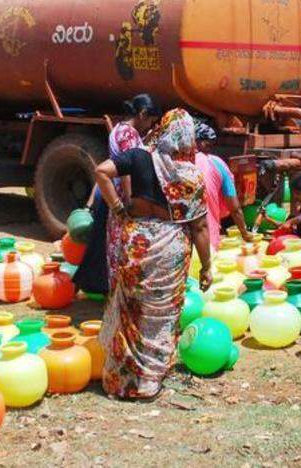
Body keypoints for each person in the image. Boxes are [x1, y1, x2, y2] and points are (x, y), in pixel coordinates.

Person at [94, 109, 210, 399]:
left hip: (137, 244)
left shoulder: (138, 156)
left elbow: (101, 172)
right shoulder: (190, 175)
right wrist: (207, 266)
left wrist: (118, 207)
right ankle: (149, 382)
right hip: (171, 246)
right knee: (163, 315)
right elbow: (199, 228)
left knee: (132, 311)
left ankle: (122, 381)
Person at [74, 94, 160, 295]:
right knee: (122, 246)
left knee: (109, 242)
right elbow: (128, 168)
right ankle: (119, 293)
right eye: (149, 120)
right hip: (122, 196)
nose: (149, 126)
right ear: (142, 114)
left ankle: (110, 289)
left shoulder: (119, 129)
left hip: (113, 195)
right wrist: (130, 201)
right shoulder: (128, 134)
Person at [194, 121, 251, 247]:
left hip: (181, 240)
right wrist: (245, 234)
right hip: (207, 237)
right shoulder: (216, 163)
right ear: (203, 143)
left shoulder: (174, 162)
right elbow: (235, 208)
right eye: (209, 145)